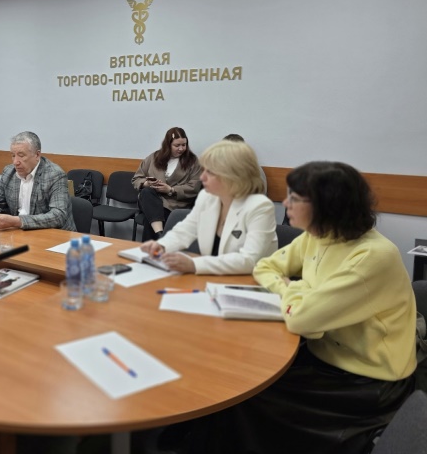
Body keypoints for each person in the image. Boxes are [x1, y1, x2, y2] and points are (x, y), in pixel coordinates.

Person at [176, 161, 417, 454]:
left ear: (328, 206)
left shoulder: (372, 256)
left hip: (366, 378)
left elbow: (302, 319)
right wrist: (298, 290)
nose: (285, 203)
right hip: (322, 352)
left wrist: (298, 290)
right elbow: (265, 267)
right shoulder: (319, 235)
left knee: (243, 392)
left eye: (296, 198)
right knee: (234, 371)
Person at [140, 140, 277, 274]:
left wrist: (194, 264)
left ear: (232, 176)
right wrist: (163, 245)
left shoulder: (259, 207)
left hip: (249, 282)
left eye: (210, 172)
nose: (202, 177)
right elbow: (186, 229)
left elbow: (248, 260)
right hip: (211, 279)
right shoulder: (207, 197)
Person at [0, 131, 76, 231]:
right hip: (19, 232)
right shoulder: (9, 172)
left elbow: (58, 216)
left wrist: (17, 221)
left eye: (21, 155)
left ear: (37, 155)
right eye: (13, 155)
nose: (15, 162)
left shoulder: (54, 175)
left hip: (53, 235)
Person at [132, 127, 202, 241]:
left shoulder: (193, 161)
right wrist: (146, 183)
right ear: (168, 145)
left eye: (184, 145)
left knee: (150, 218)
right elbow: (136, 179)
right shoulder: (154, 157)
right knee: (147, 192)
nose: (181, 148)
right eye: (177, 145)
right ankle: (160, 236)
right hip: (151, 200)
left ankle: (157, 237)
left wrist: (171, 190)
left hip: (174, 203)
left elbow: (195, 187)